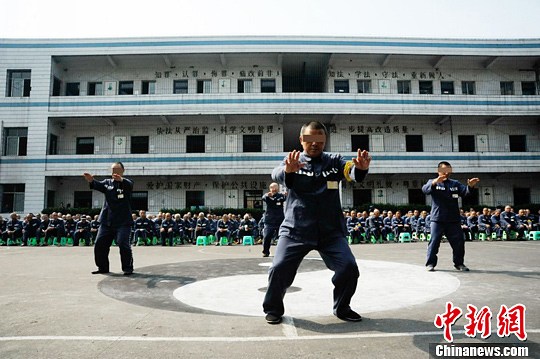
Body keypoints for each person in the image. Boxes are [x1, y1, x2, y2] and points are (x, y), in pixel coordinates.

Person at [263, 121, 371, 324]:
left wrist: (361, 169)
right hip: (296, 230)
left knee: (349, 267)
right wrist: (289, 171)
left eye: (319, 140)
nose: (315, 144)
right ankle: (273, 308)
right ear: (302, 140)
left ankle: (342, 307)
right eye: (310, 139)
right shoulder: (293, 161)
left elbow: (351, 172)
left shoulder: (334, 161)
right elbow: (276, 174)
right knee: (279, 268)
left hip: (330, 232)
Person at [422, 161, 480, 272]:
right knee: (434, 242)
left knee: (459, 242)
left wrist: (470, 186)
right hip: (437, 219)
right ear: (438, 171)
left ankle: (459, 264)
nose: (447, 173)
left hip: (453, 219)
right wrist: (434, 182)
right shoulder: (433, 182)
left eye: (449, 170)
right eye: (444, 170)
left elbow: (465, 193)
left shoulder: (455, 184)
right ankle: (430, 264)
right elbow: (425, 190)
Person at [83, 162, 134, 275]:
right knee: (100, 244)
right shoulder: (107, 183)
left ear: (123, 171)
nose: (114, 173)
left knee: (123, 243)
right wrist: (91, 180)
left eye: (117, 170)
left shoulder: (126, 183)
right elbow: (98, 185)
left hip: (123, 221)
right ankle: (103, 267)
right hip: (107, 220)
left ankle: (127, 267)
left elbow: (129, 185)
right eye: (112, 170)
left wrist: (121, 180)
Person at [261, 182, 286, 257]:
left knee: (282, 237)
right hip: (269, 221)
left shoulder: (281, 196)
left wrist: (287, 194)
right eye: (272, 188)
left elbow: (285, 198)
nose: (274, 189)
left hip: (279, 220)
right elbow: (263, 197)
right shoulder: (267, 196)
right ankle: (265, 251)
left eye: (275, 187)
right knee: (267, 236)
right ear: (270, 188)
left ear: (278, 188)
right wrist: (268, 196)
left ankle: (283, 252)